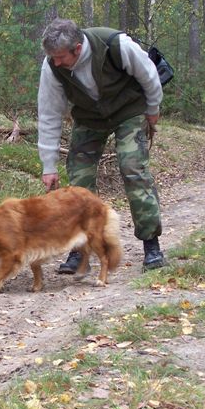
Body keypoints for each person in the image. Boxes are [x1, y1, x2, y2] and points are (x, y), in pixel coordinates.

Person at [37, 18, 165, 273]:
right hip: (89, 118)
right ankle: (80, 249)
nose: (56, 62)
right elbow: (49, 114)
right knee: (79, 181)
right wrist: (48, 166)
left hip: (129, 111)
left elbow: (149, 75)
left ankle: (151, 245)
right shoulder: (51, 66)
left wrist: (152, 109)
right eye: (53, 58)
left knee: (133, 168)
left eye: (60, 57)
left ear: (77, 48)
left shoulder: (115, 45)